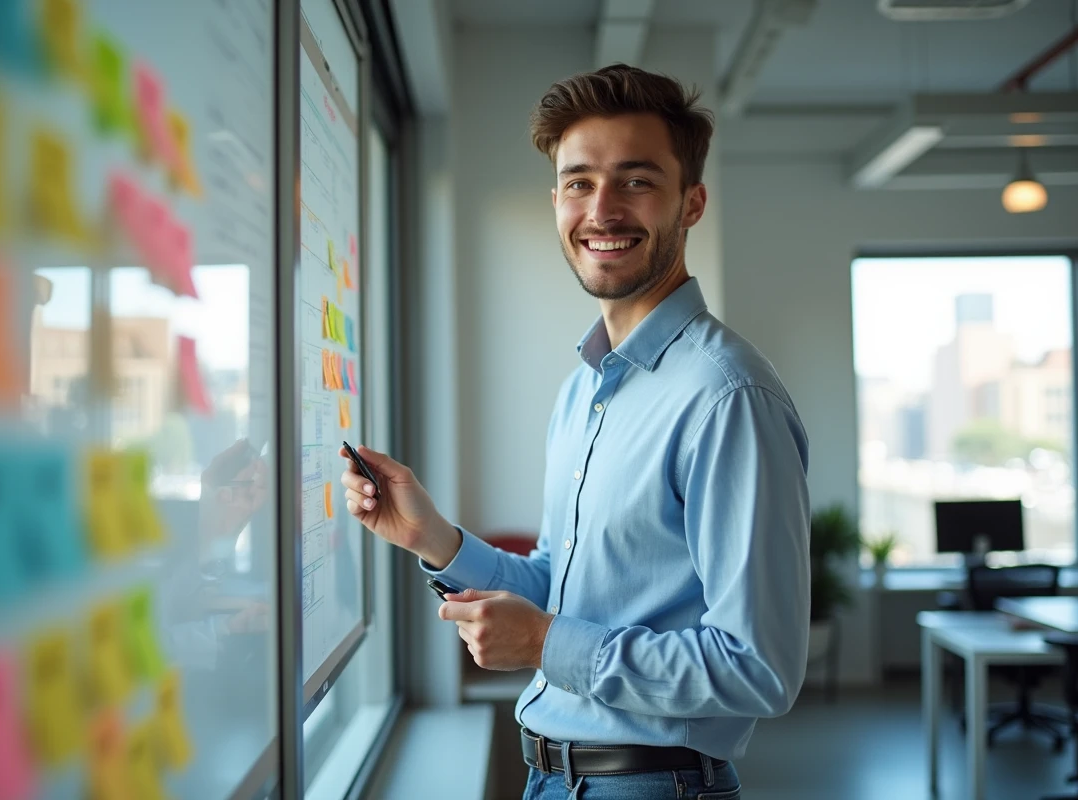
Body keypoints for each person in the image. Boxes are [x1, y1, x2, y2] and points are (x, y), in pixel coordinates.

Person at [341, 63, 810, 800]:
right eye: (579, 181)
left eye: (636, 180)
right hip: (551, 778)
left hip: (651, 786)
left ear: (691, 204)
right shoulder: (586, 388)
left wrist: (545, 644)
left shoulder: (728, 397)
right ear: (556, 200)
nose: (603, 209)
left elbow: (760, 667)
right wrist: (435, 539)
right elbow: (561, 585)